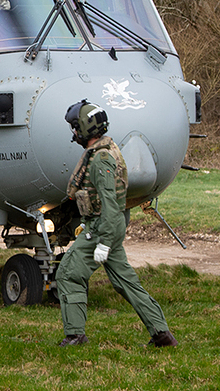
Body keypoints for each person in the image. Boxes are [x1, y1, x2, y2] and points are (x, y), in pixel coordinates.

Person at [55, 99, 178, 348]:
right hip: (106, 225)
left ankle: (75, 335)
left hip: (103, 227)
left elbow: (110, 205)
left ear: (86, 128)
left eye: (76, 127)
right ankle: (162, 335)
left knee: (68, 273)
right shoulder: (106, 150)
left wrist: (104, 242)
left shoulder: (100, 160)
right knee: (126, 282)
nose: (74, 133)